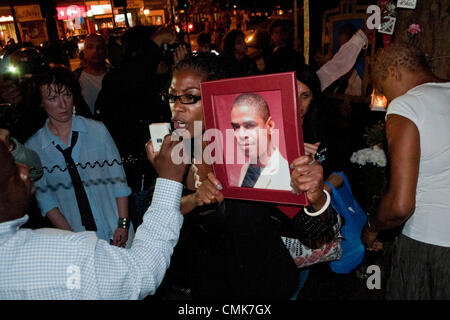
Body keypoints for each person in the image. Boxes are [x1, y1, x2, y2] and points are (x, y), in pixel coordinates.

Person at [152, 54, 339, 299]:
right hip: (200, 287)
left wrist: (315, 197)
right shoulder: (167, 151)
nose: (177, 106)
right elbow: (153, 218)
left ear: (215, 99)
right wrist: (194, 199)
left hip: (260, 286)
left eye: (189, 97)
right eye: (172, 96)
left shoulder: (249, 151)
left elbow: (315, 229)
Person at [0, 135, 187, 299]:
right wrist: (170, 180)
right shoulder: (61, 256)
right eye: (12, 170)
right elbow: (142, 271)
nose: (25, 171)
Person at [362, 43, 450, 299]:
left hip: (429, 245)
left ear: (394, 72)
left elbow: (400, 205)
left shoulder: (407, 106)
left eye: (383, 88)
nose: (387, 98)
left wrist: (371, 227)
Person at [25, 67, 133, 247]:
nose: (63, 105)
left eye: (67, 95)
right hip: (75, 236)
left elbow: (119, 181)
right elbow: (47, 201)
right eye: (53, 99)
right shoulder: (34, 147)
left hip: (115, 227)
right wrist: (73, 239)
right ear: (41, 103)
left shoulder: (97, 130)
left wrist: (123, 224)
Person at [230, 93, 290, 190]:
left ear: (270, 126)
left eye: (250, 125)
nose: (241, 135)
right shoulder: (245, 169)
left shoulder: (287, 175)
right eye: (236, 127)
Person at [73, 33, 112, 115]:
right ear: (84, 52)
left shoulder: (117, 76)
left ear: (105, 51)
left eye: (100, 47)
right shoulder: (75, 79)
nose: (95, 51)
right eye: (90, 47)